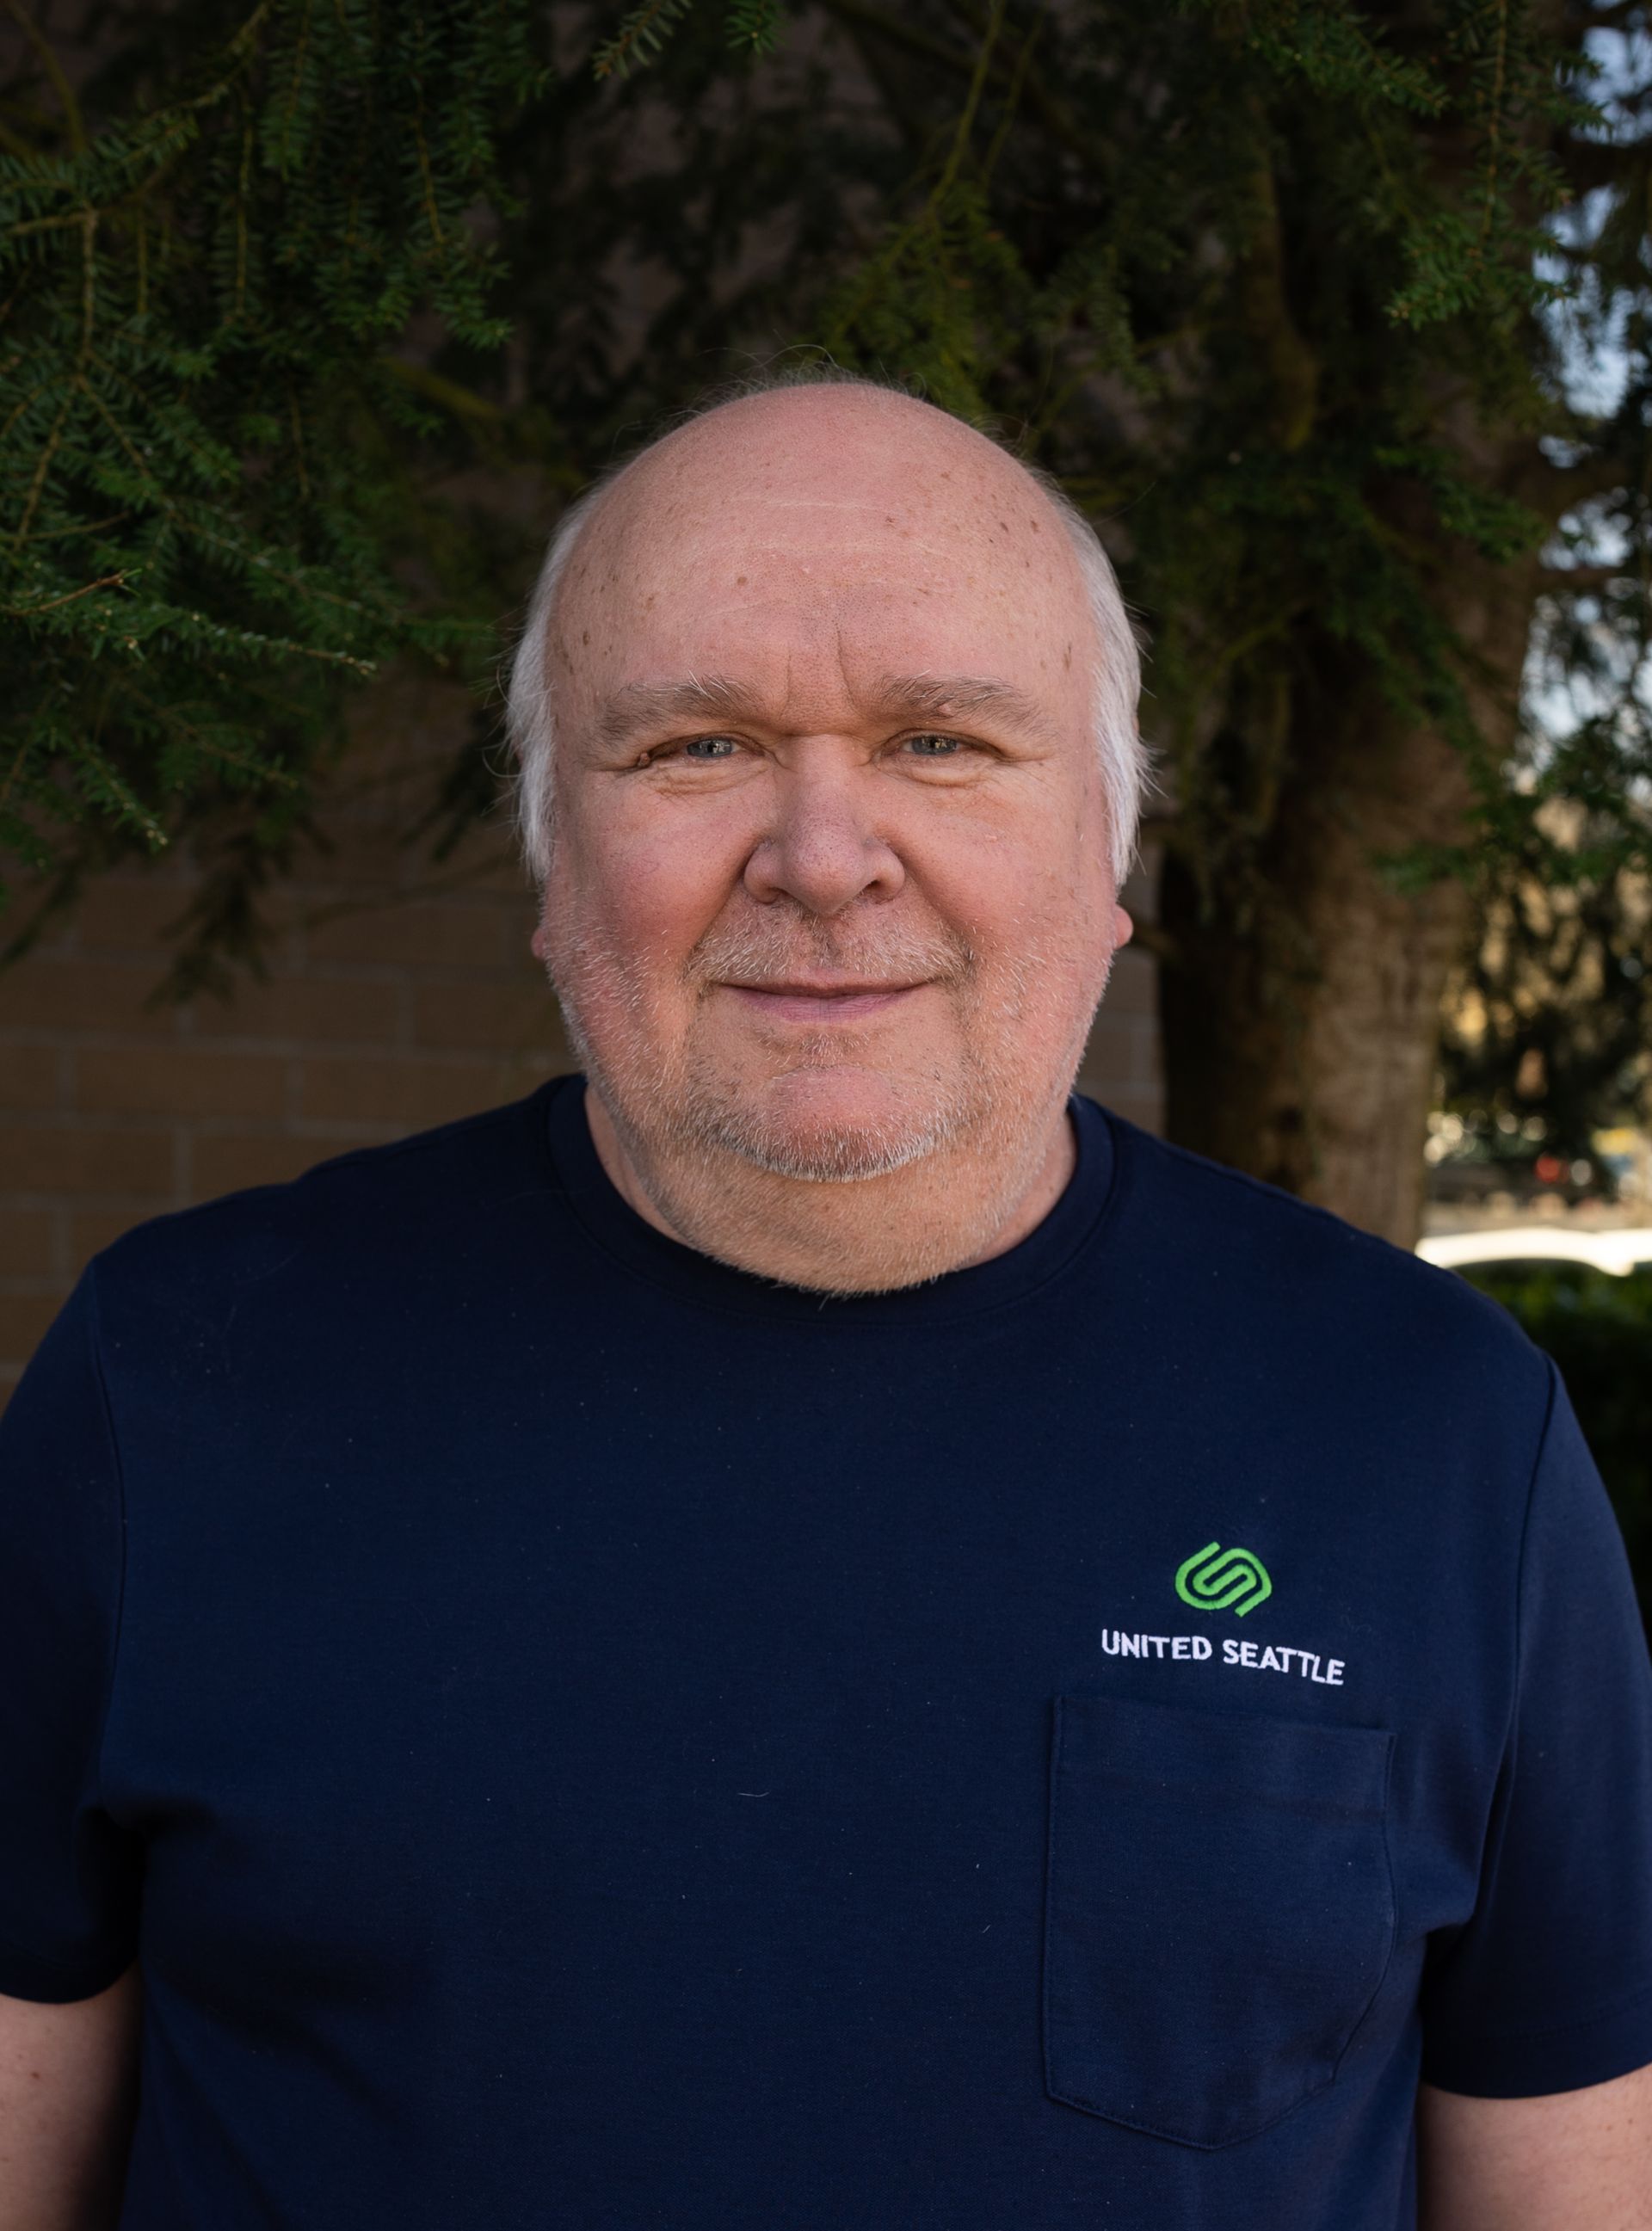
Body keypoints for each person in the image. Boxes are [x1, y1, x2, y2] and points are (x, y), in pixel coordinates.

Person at [1, 374, 1649, 2231]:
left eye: (943, 741)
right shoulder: (175, 1390)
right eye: (694, 746)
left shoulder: (1432, 1433)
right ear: (556, 861)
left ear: (1108, 847)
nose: (823, 852)